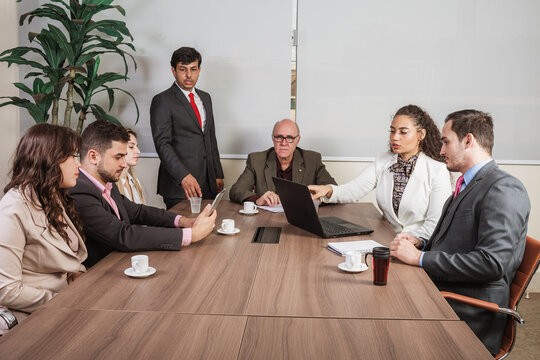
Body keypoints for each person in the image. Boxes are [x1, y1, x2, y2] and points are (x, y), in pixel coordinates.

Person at [389, 109, 530, 355]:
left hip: (469, 310)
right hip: (446, 291)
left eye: (446, 142)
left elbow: (492, 263)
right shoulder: (466, 183)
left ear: (468, 140)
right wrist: (421, 243)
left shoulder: (504, 188)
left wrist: (419, 258)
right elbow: (459, 242)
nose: (441, 151)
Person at [70, 120, 216, 268]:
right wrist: (191, 235)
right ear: (93, 157)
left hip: (121, 263)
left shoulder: (105, 182)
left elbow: (138, 212)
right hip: (101, 275)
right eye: (118, 157)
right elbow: (123, 235)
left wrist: (183, 221)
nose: (124, 164)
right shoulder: (79, 191)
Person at [309, 105, 451, 239]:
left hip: (420, 245)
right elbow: (355, 189)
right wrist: (328, 190)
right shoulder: (383, 160)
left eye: (403, 132)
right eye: (392, 131)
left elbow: (434, 224)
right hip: (386, 239)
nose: (395, 137)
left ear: (421, 134)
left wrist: (408, 241)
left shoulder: (438, 171)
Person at [0, 123, 87, 333]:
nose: (79, 165)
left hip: (64, 307)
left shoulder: (51, 196)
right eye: (73, 157)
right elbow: (5, 290)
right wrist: (63, 299)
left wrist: (75, 274)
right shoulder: (14, 208)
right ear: (50, 159)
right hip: (32, 319)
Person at [150, 46, 224, 209]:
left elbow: (210, 137)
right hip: (179, 187)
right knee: (184, 233)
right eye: (183, 69)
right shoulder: (163, 100)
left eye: (193, 69)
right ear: (173, 71)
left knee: (208, 231)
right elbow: (162, 144)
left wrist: (217, 173)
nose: (189, 75)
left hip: (208, 184)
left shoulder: (205, 98)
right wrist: (183, 176)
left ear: (199, 70)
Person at [229, 119, 336, 206]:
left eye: (289, 138)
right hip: (266, 219)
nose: (283, 143)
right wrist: (258, 200)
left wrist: (315, 200)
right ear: (273, 139)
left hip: (301, 218)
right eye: (279, 137)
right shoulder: (256, 160)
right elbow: (236, 190)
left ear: (297, 140)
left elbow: (332, 190)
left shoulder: (312, 160)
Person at [118, 129, 146, 204]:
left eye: (137, 146)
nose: (138, 151)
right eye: (131, 147)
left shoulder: (135, 181)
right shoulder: (112, 187)